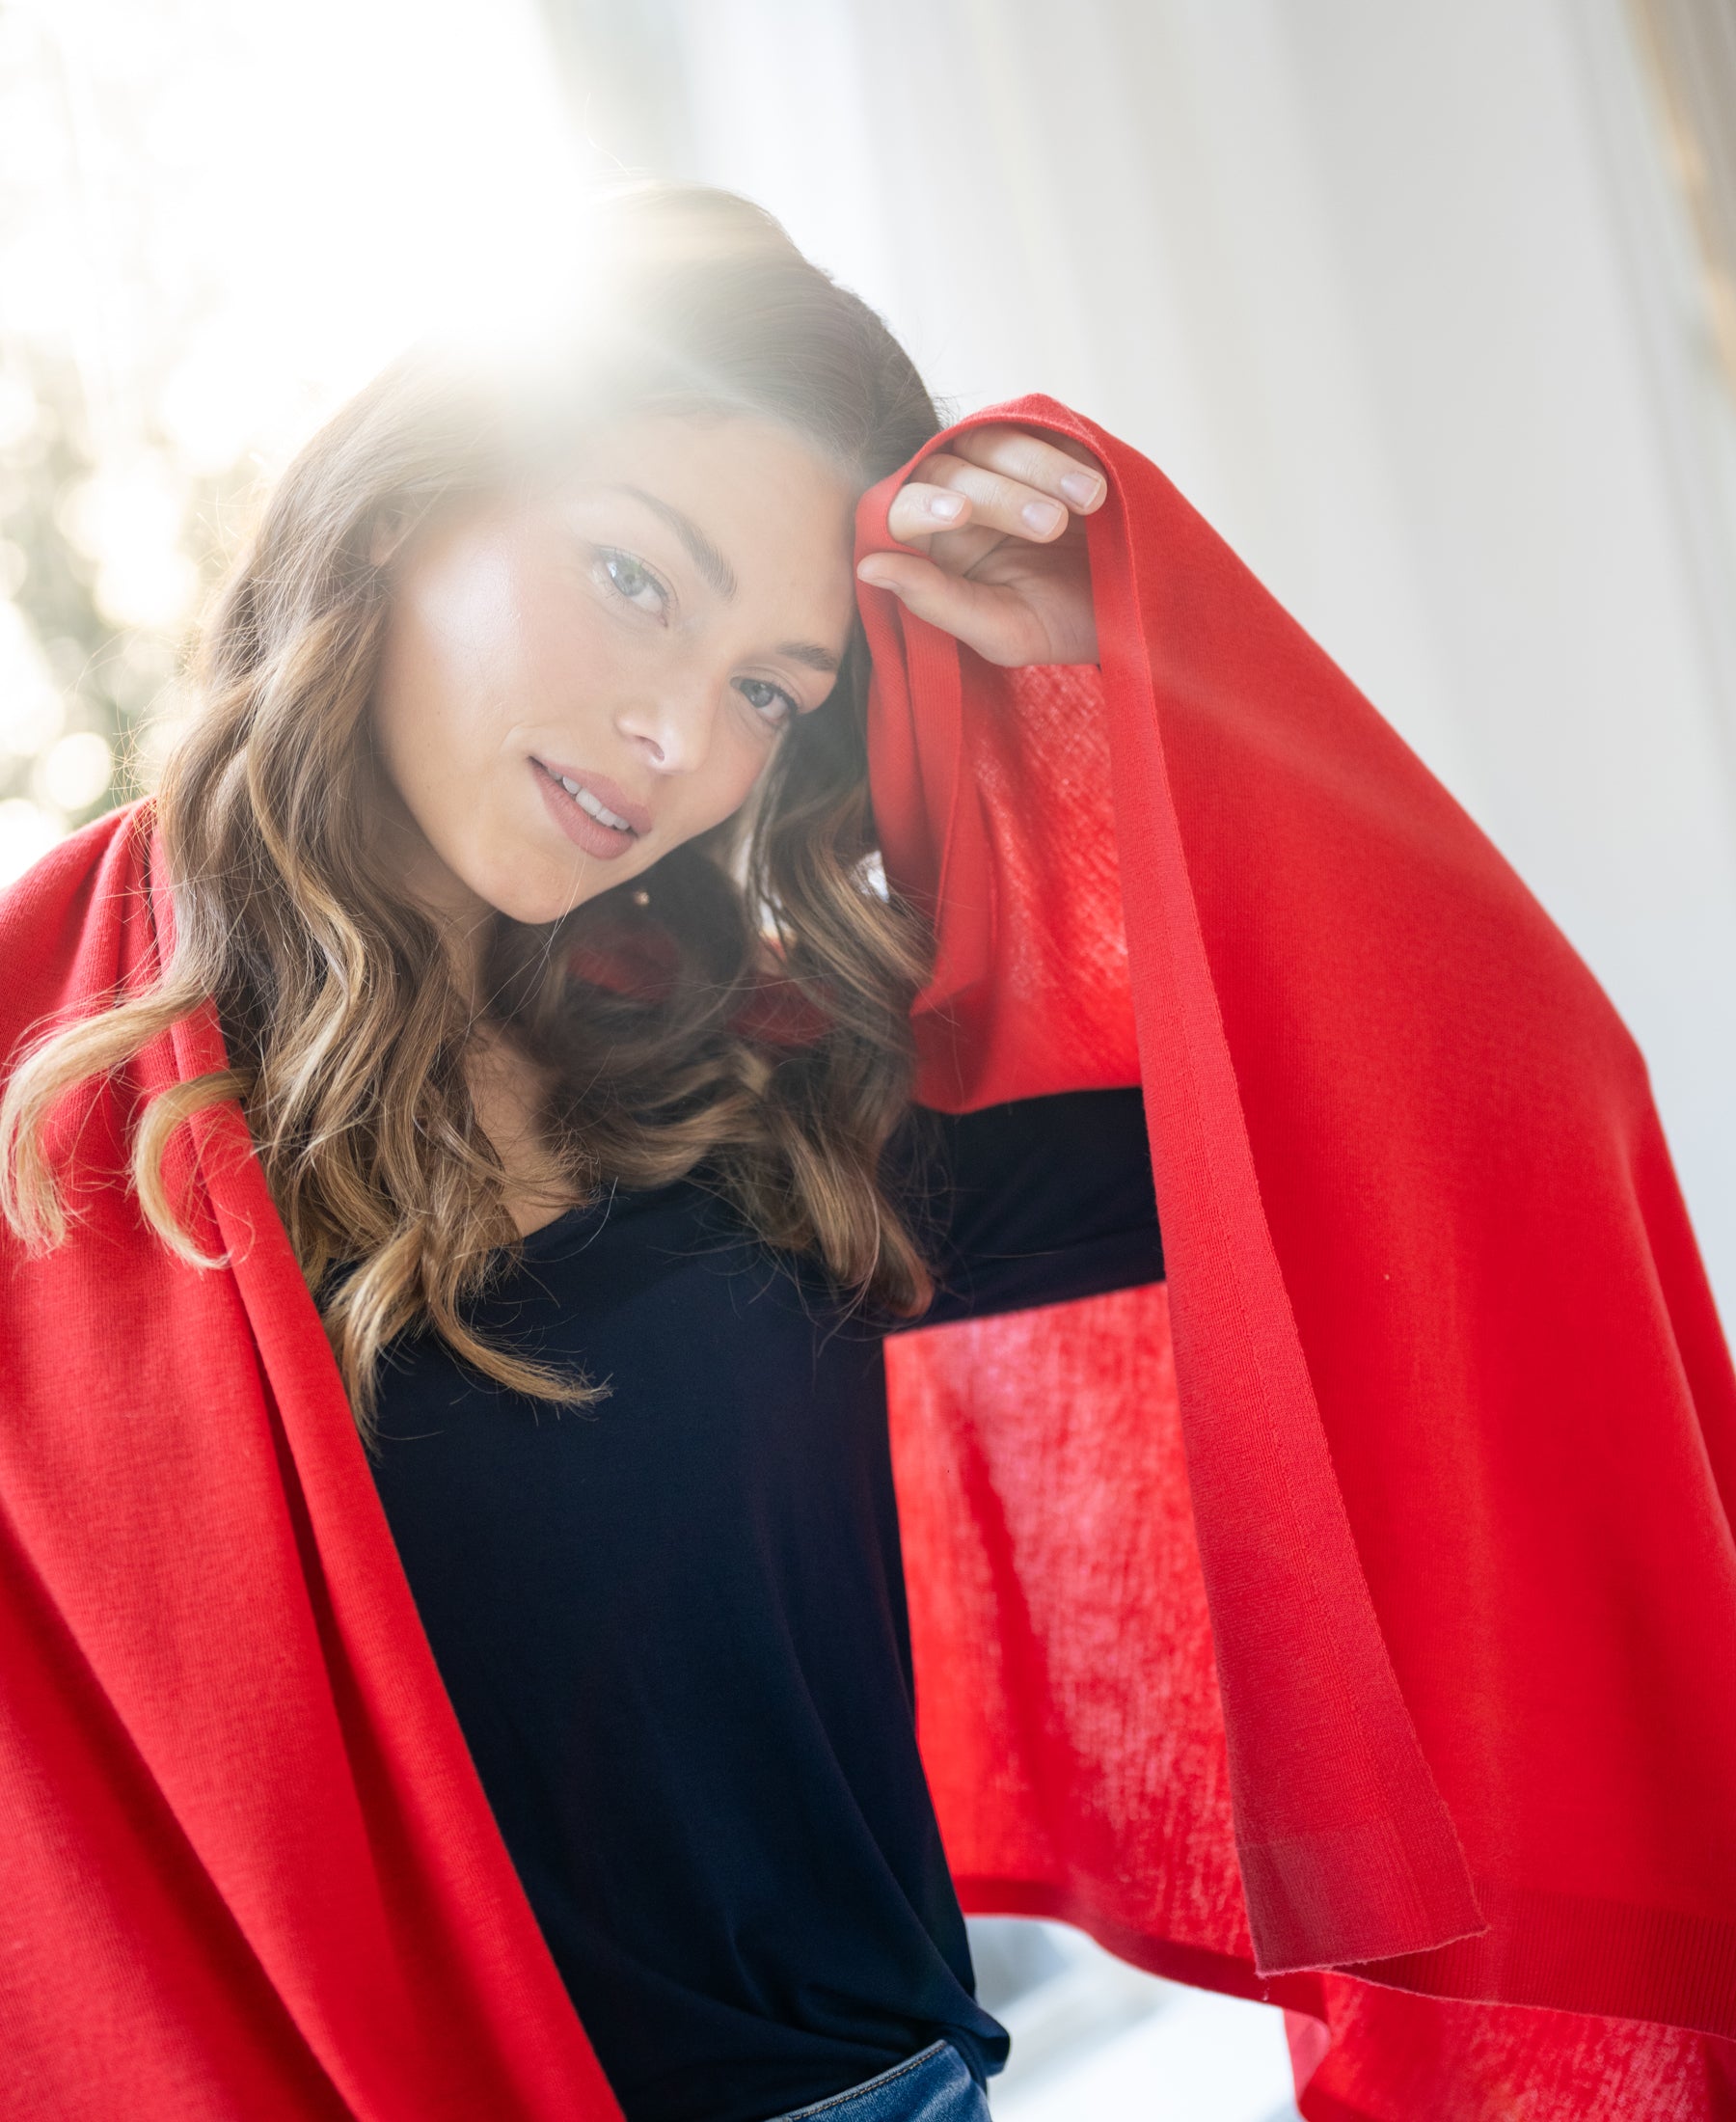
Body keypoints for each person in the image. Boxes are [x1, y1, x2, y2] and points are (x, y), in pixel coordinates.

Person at [4, 182, 1736, 2122]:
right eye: (637, 577)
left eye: (774, 688)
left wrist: (1144, 655)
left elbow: (1497, 1079)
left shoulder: (757, 1098)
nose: (675, 730)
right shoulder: (59, 1096)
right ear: (411, 505)